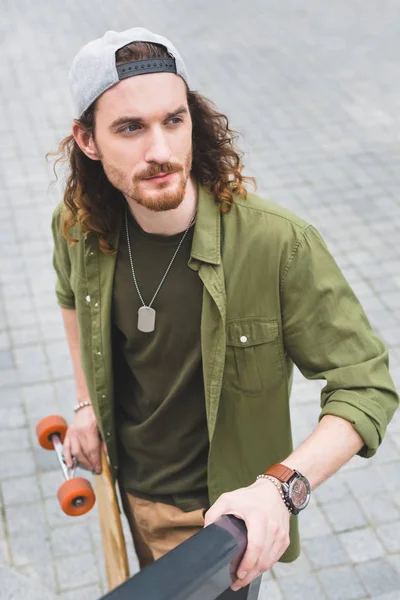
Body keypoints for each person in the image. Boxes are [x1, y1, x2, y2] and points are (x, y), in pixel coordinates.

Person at [50, 27, 398, 591]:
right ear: (87, 140)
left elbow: (367, 386)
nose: (160, 150)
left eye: (173, 120)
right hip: (129, 488)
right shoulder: (78, 228)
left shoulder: (278, 245)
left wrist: (278, 490)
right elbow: (70, 296)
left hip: (225, 528)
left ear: (194, 120)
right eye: (130, 128)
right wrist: (86, 403)